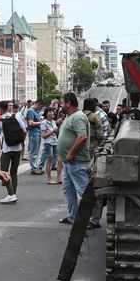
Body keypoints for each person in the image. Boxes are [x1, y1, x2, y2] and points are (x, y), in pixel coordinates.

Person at [57, 92, 96, 227]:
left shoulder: (78, 117)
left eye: (62, 103)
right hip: (69, 163)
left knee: (84, 192)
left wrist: (70, 153)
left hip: (76, 161)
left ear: (68, 103)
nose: (60, 105)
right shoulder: (70, 116)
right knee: (69, 190)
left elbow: (82, 137)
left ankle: (92, 220)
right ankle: (73, 216)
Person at [0, 100, 26, 204]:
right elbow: (24, 130)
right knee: (14, 172)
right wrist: (21, 142)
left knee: (3, 171)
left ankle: (11, 193)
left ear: (0, 109)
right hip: (17, 149)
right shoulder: (16, 116)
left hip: (7, 150)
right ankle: (13, 193)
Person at [39, 108, 60, 184]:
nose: (52, 113)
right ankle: (49, 178)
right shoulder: (44, 123)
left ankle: (59, 178)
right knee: (49, 160)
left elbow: (55, 132)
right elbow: (43, 136)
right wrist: (52, 132)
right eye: (49, 112)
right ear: (46, 114)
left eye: (52, 112)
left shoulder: (54, 122)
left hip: (55, 142)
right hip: (48, 143)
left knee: (59, 160)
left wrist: (55, 132)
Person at [25, 99, 44, 173]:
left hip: (37, 132)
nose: (41, 108)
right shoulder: (31, 111)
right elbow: (30, 123)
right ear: (38, 104)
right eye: (41, 106)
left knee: (36, 150)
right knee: (34, 150)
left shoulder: (35, 111)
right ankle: (34, 168)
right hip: (33, 132)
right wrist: (41, 123)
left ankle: (35, 166)